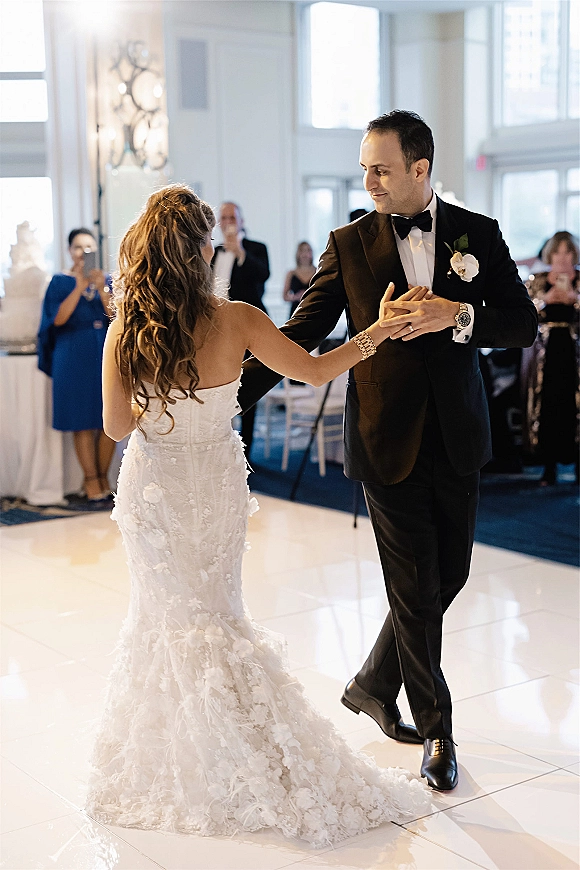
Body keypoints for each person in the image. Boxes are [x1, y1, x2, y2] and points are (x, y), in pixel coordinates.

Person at [86, 184, 430, 846]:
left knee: (163, 616)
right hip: (214, 487)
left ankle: (183, 759)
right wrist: (377, 333)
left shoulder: (126, 331)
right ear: (201, 251)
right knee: (218, 612)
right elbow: (315, 370)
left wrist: (157, 398)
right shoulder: (238, 318)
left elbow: (114, 426)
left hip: (154, 492)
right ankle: (242, 746)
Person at [239, 110, 538, 792]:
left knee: (449, 575)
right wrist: (227, 395)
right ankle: (437, 730)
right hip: (383, 436)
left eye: (381, 169)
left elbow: (522, 324)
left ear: (420, 169)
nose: (368, 181)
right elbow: (299, 333)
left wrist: (457, 315)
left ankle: (374, 682)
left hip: (458, 434)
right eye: (365, 168)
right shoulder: (347, 244)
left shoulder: (477, 234)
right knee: (414, 588)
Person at [38, 228, 115, 501]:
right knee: (82, 419)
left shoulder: (107, 280)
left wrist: (101, 286)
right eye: (78, 247)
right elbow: (57, 319)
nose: (84, 252)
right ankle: (90, 479)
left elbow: (116, 316)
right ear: (70, 251)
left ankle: (104, 477)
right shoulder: (60, 281)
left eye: (89, 247)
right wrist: (80, 285)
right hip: (72, 352)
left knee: (109, 418)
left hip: (103, 351)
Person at [211, 201, 270, 459]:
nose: (228, 222)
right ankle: (222, 445)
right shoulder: (212, 252)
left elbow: (263, 276)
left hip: (248, 329)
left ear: (241, 221)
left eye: (232, 218)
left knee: (247, 386)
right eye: (223, 218)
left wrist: (240, 253)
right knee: (218, 386)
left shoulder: (257, 248)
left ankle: (246, 451)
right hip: (216, 329)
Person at [521, 230, 579, 485]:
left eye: (568, 252)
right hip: (544, 354)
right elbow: (522, 313)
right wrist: (545, 299)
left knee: (575, 404)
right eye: (557, 252)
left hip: (575, 351)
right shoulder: (537, 280)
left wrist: (574, 300)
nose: (562, 258)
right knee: (547, 405)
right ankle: (548, 465)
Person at [283, 241, 316, 316]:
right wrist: (296, 297)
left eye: (307, 250)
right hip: (296, 311)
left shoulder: (317, 272)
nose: (305, 254)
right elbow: (285, 296)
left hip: (313, 310)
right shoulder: (291, 274)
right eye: (302, 251)